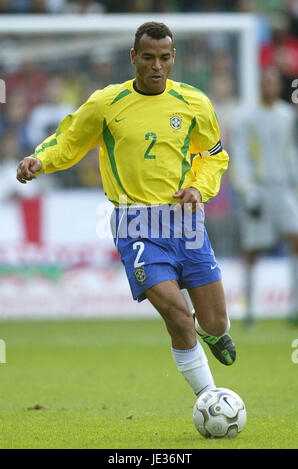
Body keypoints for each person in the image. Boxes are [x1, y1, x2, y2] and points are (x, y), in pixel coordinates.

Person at [16, 22, 235, 399]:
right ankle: (210, 398)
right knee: (178, 315)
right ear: (133, 57)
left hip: (186, 223)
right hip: (136, 223)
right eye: (148, 58)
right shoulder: (107, 103)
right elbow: (68, 140)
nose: (156, 66)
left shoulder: (194, 102)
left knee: (215, 322)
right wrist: (39, 159)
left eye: (164, 58)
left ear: (173, 58)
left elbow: (215, 157)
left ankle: (211, 332)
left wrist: (199, 187)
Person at [230, 67, 298, 326]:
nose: (269, 86)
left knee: (296, 238)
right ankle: (249, 312)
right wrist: (247, 191)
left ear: (279, 86)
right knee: (252, 250)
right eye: (265, 81)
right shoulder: (246, 117)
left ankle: (295, 308)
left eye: (273, 81)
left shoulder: (286, 115)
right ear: (259, 85)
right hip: (258, 188)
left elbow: (291, 152)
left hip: (283, 189)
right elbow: (240, 156)